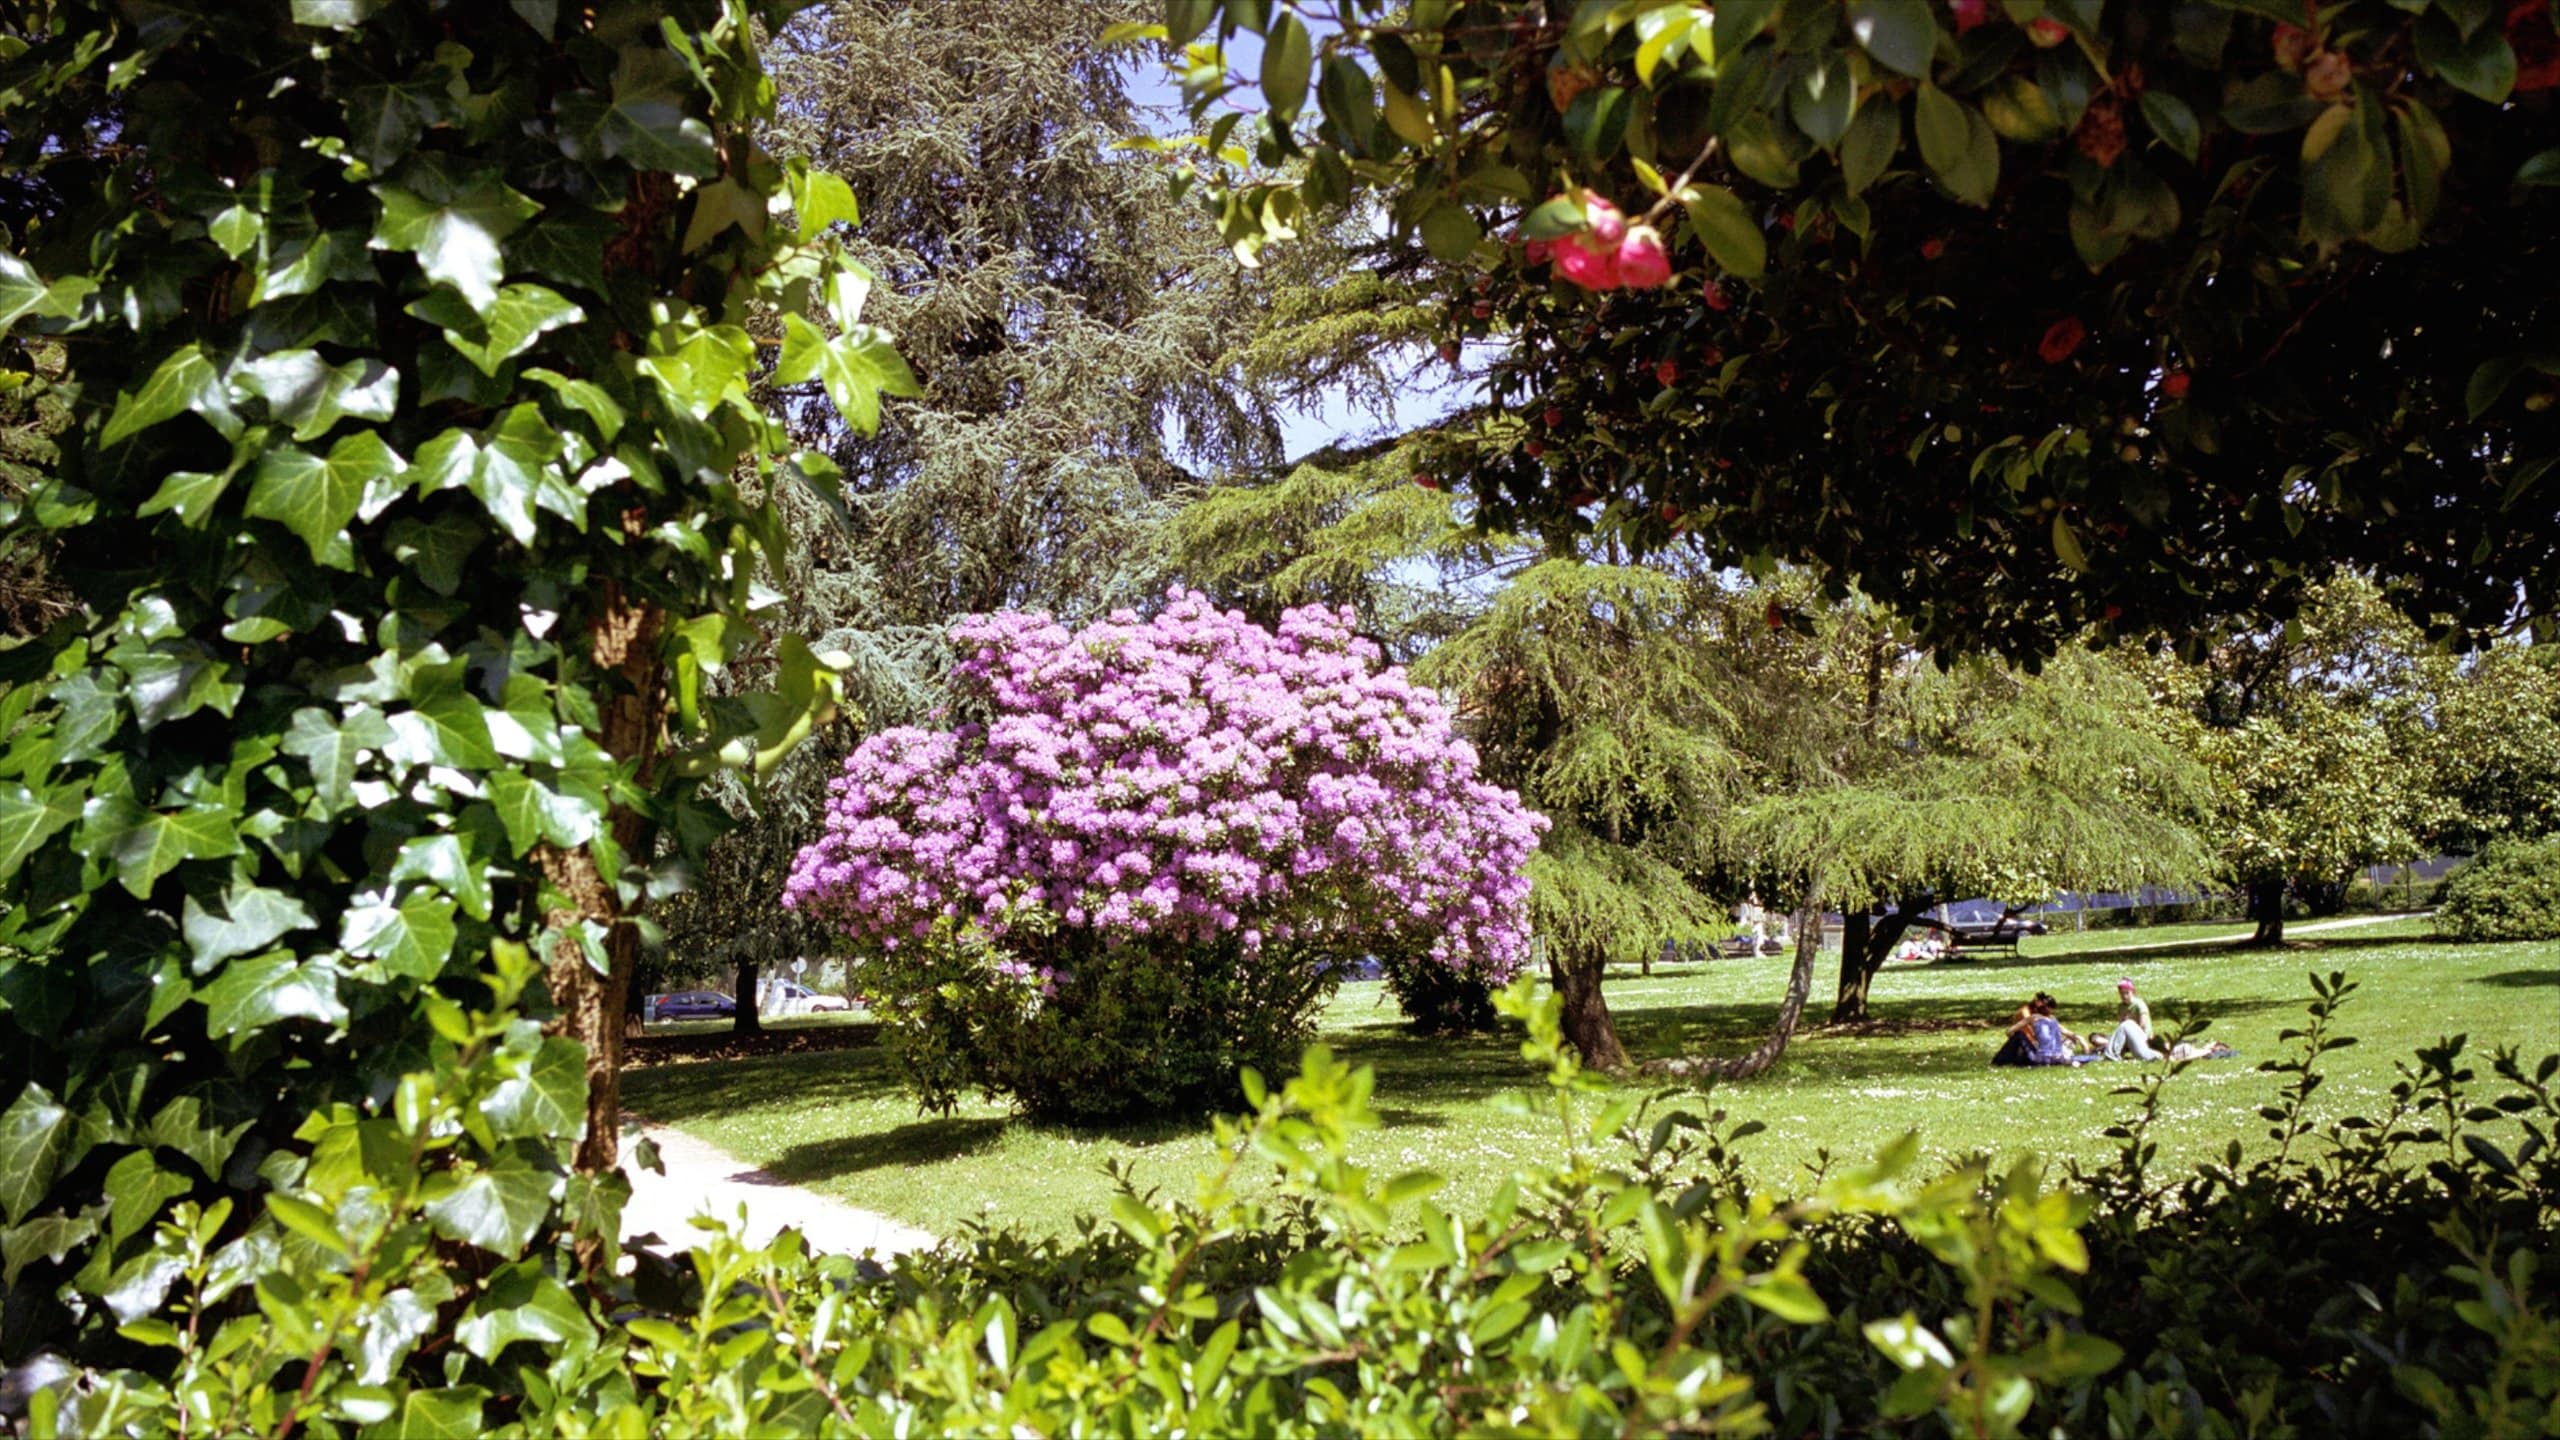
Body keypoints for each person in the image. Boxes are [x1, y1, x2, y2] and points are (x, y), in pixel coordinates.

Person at [2100, 977, 2160, 1061]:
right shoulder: (2121, 1007)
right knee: (2096, 1037)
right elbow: (2120, 1026)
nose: (2124, 996)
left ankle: (2111, 1054)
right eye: (2122, 993)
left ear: (2133, 992)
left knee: (2127, 1024)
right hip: (2129, 1038)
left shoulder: (2139, 1005)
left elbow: (2142, 1026)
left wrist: (2129, 1024)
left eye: (2127, 993)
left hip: (2143, 1039)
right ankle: (2113, 1051)